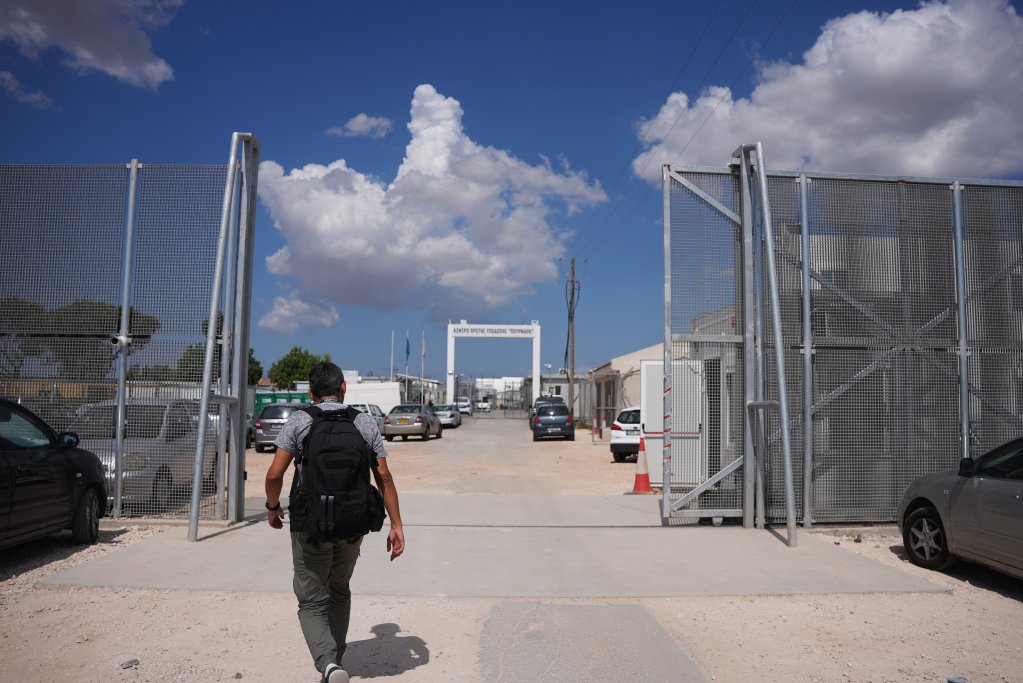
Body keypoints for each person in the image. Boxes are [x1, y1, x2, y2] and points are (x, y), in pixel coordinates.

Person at [265, 362, 405, 683]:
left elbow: (274, 474)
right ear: (344, 388)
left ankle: (328, 665)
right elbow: (383, 477)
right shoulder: (364, 422)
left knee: (311, 600)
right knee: (339, 590)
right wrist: (396, 525)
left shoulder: (300, 421)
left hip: (310, 524)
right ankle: (336, 663)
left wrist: (273, 508)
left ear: (310, 393)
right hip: (352, 523)